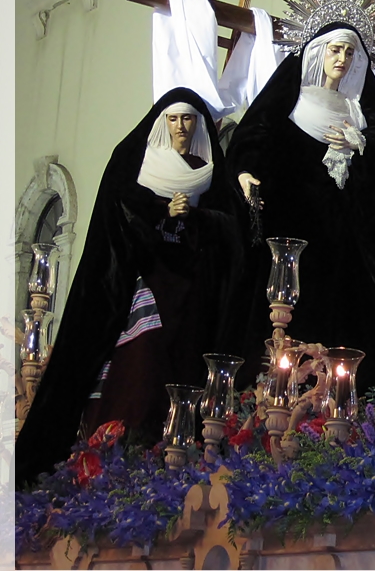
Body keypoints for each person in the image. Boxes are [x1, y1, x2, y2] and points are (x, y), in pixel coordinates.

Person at [16, 89, 244, 487]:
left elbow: (230, 230)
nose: (181, 127)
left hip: (192, 293)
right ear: (162, 124)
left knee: (184, 370)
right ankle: (123, 456)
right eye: (173, 120)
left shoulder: (210, 171)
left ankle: (175, 454)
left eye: (188, 120)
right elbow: (118, 222)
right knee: (141, 368)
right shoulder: (136, 163)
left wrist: (196, 217)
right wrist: (160, 214)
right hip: (146, 285)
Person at [226, 22, 375, 395]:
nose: (342, 58)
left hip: (347, 244)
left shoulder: (361, 111)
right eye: (335, 50)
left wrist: (361, 145)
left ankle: (339, 400)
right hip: (293, 236)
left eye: (349, 52)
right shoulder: (294, 98)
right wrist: (245, 174)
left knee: (344, 323)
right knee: (290, 324)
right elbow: (256, 136)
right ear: (317, 53)